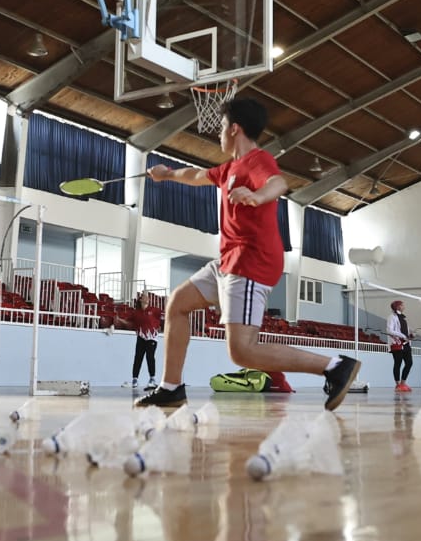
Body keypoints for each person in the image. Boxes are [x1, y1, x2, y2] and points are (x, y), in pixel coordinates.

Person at [137, 97, 360, 411]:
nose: (219, 133)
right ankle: (171, 387)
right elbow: (197, 175)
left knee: (241, 351)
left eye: (223, 127)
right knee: (177, 304)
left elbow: (277, 183)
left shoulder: (258, 160)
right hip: (228, 260)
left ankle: (335, 366)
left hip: (251, 260)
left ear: (235, 129)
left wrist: (256, 196)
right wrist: (168, 174)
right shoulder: (229, 168)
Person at [130, 299, 161, 392]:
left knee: (150, 356)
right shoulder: (136, 313)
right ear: (140, 301)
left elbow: (163, 317)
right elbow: (129, 322)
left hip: (152, 337)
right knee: (138, 357)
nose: (146, 299)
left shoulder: (154, 310)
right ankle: (135, 379)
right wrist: (117, 322)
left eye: (147, 297)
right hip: (141, 337)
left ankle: (152, 378)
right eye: (144, 297)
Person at [387, 299, 414, 392]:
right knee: (398, 363)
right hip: (397, 344)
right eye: (402, 305)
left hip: (406, 344)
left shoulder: (403, 317)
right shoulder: (392, 317)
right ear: (398, 306)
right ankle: (398, 385)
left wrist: (410, 335)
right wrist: (402, 336)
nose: (404, 306)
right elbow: (390, 330)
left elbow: (405, 330)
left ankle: (403, 383)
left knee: (409, 363)